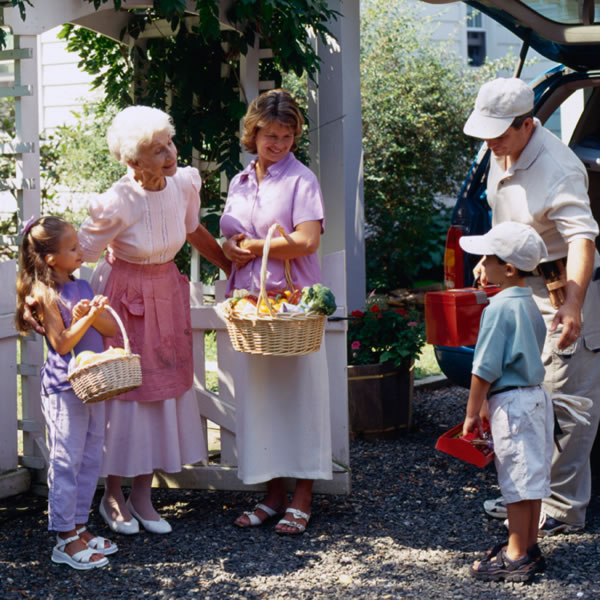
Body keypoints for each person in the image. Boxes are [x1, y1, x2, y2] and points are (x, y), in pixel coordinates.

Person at [76, 106, 231, 535]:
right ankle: (112, 495)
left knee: (158, 393)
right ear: (132, 162)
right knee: (124, 394)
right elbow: (83, 250)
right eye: (156, 150)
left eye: (169, 143)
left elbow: (193, 229)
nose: (169, 154)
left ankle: (142, 496)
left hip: (165, 292)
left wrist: (227, 265)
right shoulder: (118, 200)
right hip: (123, 299)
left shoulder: (183, 184)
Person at [464, 77, 600, 536]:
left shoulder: (559, 166)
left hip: (565, 290)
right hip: (525, 289)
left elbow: (582, 236)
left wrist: (575, 305)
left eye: (498, 133)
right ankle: (527, 498)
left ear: (528, 124)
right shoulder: (501, 151)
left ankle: (562, 509)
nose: (490, 142)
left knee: (566, 401)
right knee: (525, 397)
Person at [221, 89, 332, 535]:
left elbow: (307, 240)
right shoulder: (239, 181)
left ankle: (302, 495)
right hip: (253, 308)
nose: (279, 144)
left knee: (299, 401)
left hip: (292, 309)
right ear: (254, 132)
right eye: (271, 136)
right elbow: (230, 236)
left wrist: (254, 246)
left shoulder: (301, 179)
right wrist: (231, 246)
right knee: (262, 403)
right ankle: (271, 494)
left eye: (287, 136)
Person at [15, 216, 119, 569]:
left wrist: (93, 312)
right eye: (72, 248)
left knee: (90, 459)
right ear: (50, 259)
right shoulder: (45, 295)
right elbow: (61, 344)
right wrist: (83, 320)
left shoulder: (83, 285)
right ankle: (63, 537)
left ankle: (78, 526)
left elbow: (107, 329)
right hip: (64, 388)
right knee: (66, 462)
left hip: (93, 386)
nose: (80, 253)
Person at [459, 222, 552, 582]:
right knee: (533, 478)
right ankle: (530, 546)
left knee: (515, 480)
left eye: (487, 258)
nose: (480, 265)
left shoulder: (497, 308)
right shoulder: (530, 303)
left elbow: (484, 369)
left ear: (508, 269)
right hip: (536, 399)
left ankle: (514, 556)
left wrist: (471, 412)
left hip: (512, 406)